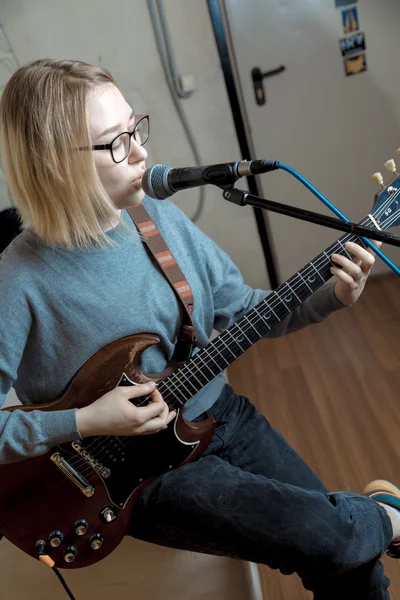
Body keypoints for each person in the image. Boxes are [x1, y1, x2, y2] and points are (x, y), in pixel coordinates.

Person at [0, 58, 398, 599]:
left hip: (221, 416)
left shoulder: (155, 218)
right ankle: (386, 518)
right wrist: (87, 418)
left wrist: (334, 296)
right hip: (134, 480)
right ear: (53, 164)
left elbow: (244, 312)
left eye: (136, 128)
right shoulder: (17, 280)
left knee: (353, 569)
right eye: (115, 143)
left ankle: (369, 525)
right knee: (333, 539)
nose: (141, 152)